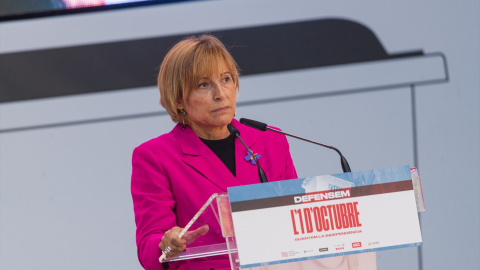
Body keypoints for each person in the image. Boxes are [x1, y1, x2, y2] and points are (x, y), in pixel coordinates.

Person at [131, 35, 297, 270]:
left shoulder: (271, 140)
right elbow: (150, 252)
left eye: (226, 79)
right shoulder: (155, 157)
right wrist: (168, 245)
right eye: (203, 85)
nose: (220, 93)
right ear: (179, 99)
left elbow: (296, 219)